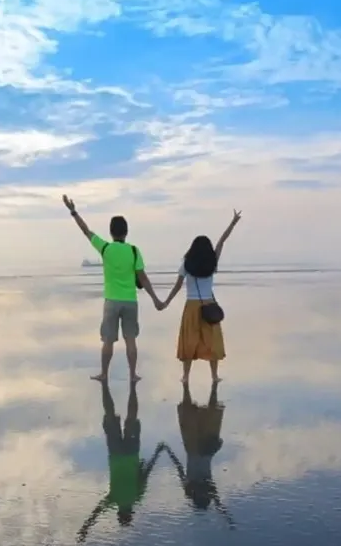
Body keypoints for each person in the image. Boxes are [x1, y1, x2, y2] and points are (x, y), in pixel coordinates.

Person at [62, 194, 163, 382]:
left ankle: (104, 374)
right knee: (131, 340)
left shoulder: (105, 248)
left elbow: (86, 231)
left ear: (111, 232)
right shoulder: (134, 251)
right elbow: (143, 277)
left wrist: (73, 211)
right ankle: (133, 375)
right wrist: (156, 299)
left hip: (111, 301)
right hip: (131, 301)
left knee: (108, 340)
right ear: (126, 232)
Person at [77, 380, 165, 542]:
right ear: (118, 511)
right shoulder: (114, 499)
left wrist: (157, 453)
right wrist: (85, 528)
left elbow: (145, 473)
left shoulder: (136, 497)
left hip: (131, 453)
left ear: (130, 511)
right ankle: (106, 386)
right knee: (110, 416)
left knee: (132, 417)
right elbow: (96, 512)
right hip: (116, 453)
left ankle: (132, 387)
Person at [160, 210, 242, 383]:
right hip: (209, 305)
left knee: (189, 341)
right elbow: (222, 241)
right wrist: (233, 223)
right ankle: (214, 376)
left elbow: (177, 286)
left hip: (191, 306)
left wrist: (166, 302)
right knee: (212, 341)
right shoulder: (212, 262)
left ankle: (186, 376)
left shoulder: (186, 264)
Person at [162, 380, 235, 528]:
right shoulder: (206, 486)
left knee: (196, 415)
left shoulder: (193, 484)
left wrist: (169, 451)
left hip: (198, 448)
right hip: (203, 449)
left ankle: (196, 391)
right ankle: (205, 390)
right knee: (206, 415)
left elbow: (179, 468)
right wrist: (227, 518)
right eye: (205, 496)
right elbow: (218, 503)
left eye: (202, 496)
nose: (204, 495)